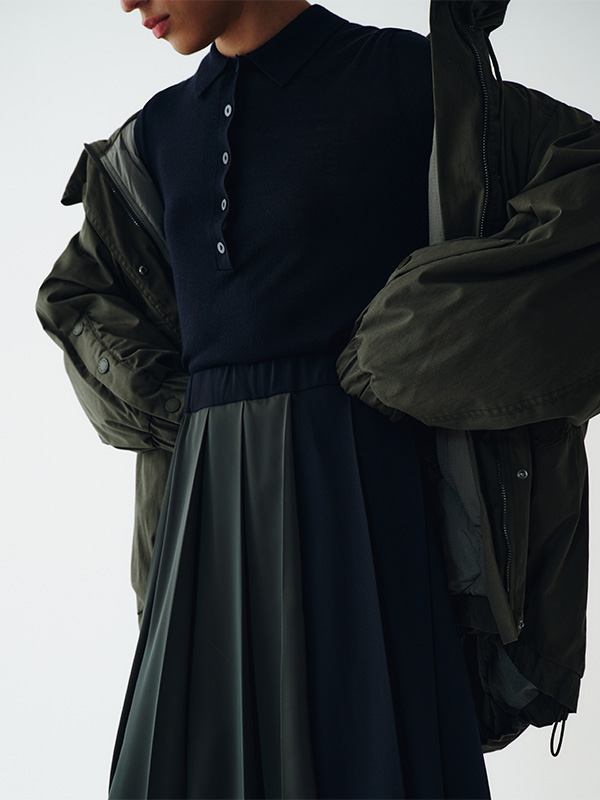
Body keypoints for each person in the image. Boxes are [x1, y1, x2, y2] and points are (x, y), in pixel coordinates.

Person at [35, 0, 600, 798]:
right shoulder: (151, 139)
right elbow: (80, 299)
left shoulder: (408, 83)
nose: (126, 0)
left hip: (365, 505)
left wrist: (416, 340)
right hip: (204, 521)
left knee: (369, 757)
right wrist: (171, 406)